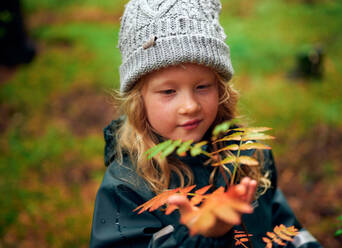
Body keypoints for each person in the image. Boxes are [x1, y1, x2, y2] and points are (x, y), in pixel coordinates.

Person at [90, 0, 323, 247]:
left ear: (221, 89)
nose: (190, 105)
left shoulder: (246, 154)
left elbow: (284, 228)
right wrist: (203, 237)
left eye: (202, 87)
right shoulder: (127, 186)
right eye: (169, 91)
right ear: (140, 100)